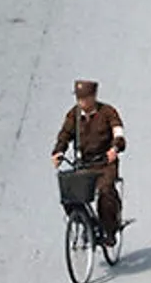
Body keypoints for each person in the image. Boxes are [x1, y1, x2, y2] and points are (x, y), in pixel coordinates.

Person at [52, 79, 125, 243]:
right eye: (78, 98)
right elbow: (65, 134)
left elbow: (119, 132)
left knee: (105, 191)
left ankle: (109, 230)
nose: (81, 102)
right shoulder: (74, 115)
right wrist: (58, 151)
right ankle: (86, 223)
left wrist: (115, 148)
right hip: (85, 164)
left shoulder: (108, 112)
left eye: (84, 98)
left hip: (106, 163)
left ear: (93, 97)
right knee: (69, 194)